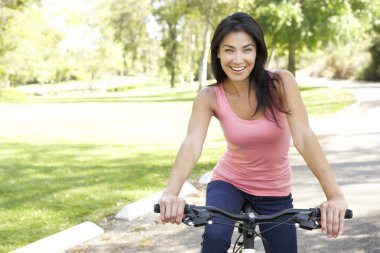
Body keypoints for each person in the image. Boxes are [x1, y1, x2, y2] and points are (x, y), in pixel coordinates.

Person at [158, 12, 348, 253]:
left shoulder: (281, 83)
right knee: (215, 237)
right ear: (217, 52)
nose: (238, 59)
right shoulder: (209, 96)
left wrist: (334, 196)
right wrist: (170, 194)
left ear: (257, 52)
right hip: (229, 183)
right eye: (229, 50)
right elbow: (192, 144)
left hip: (275, 190)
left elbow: (303, 136)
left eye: (246, 49)